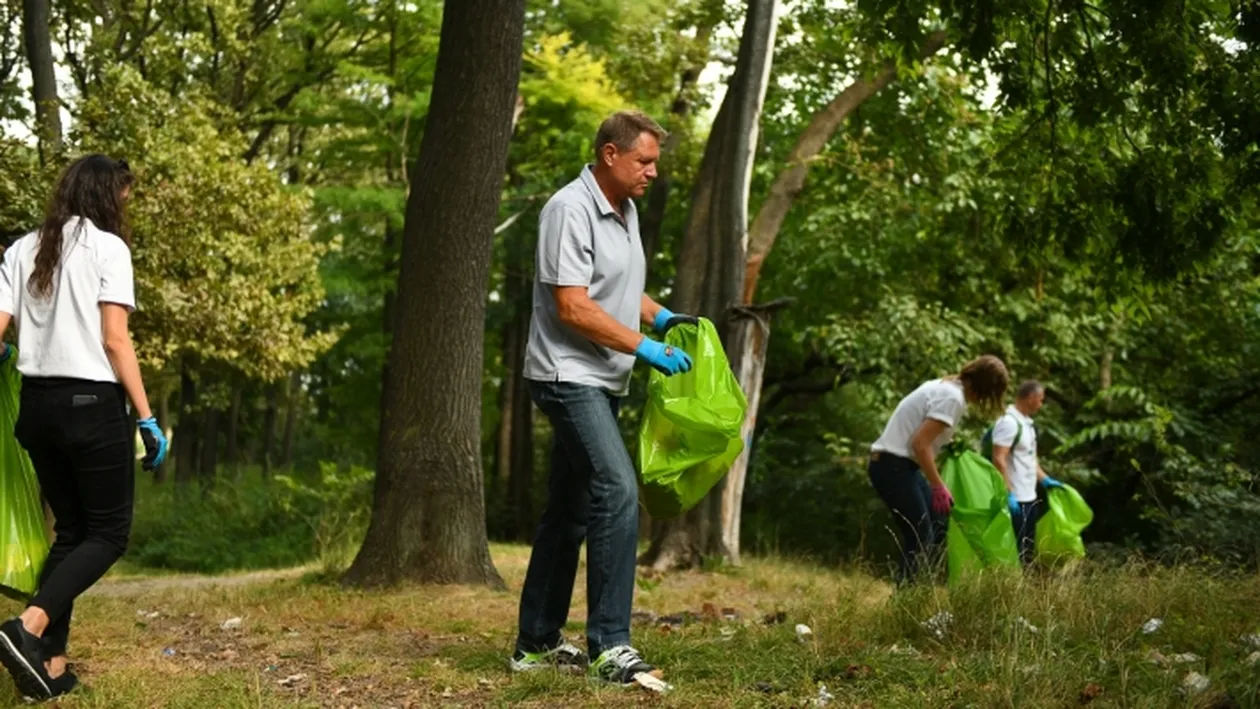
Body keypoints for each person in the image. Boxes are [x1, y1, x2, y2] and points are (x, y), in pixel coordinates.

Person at [511, 111, 695, 685]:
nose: (652, 172)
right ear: (610, 154)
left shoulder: (625, 210)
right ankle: (611, 645)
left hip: (603, 376)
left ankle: (535, 644)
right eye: (644, 161)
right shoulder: (568, 209)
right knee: (616, 489)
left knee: (568, 510)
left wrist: (661, 317)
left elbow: (618, 286)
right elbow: (572, 305)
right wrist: (646, 347)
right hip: (567, 374)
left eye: (655, 162)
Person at [0, 155, 168, 700]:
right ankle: (27, 627)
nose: (125, 206)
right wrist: (147, 417)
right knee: (109, 535)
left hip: (36, 408)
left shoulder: (21, 249)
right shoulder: (107, 249)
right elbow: (115, 340)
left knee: (71, 533)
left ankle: (49, 666)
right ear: (105, 196)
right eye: (122, 196)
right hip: (91, 406)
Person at [867, 355, 1009, 583]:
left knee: (937, 526)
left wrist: (948, 444)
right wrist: (938, 485)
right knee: (920, 535)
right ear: (984, 388)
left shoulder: (945, 386)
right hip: (892, 466)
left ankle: (919, 588)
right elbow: (920, 444)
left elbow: (922, 434)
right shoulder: (953, 398)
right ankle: (906, 596)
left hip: (901, 466)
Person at [991, 380, 1063, 565]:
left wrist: (1045, 480)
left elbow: (1030, 459)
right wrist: (1008, 493)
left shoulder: (1027, 424)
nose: (1041, 404)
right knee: (1014, 549)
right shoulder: (1008, 422)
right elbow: (998, 459)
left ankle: (1023, 581)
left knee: (1027, 548)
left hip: (1029, 496)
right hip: (1016, 499)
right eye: (1040, 400)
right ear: (1030, 398)